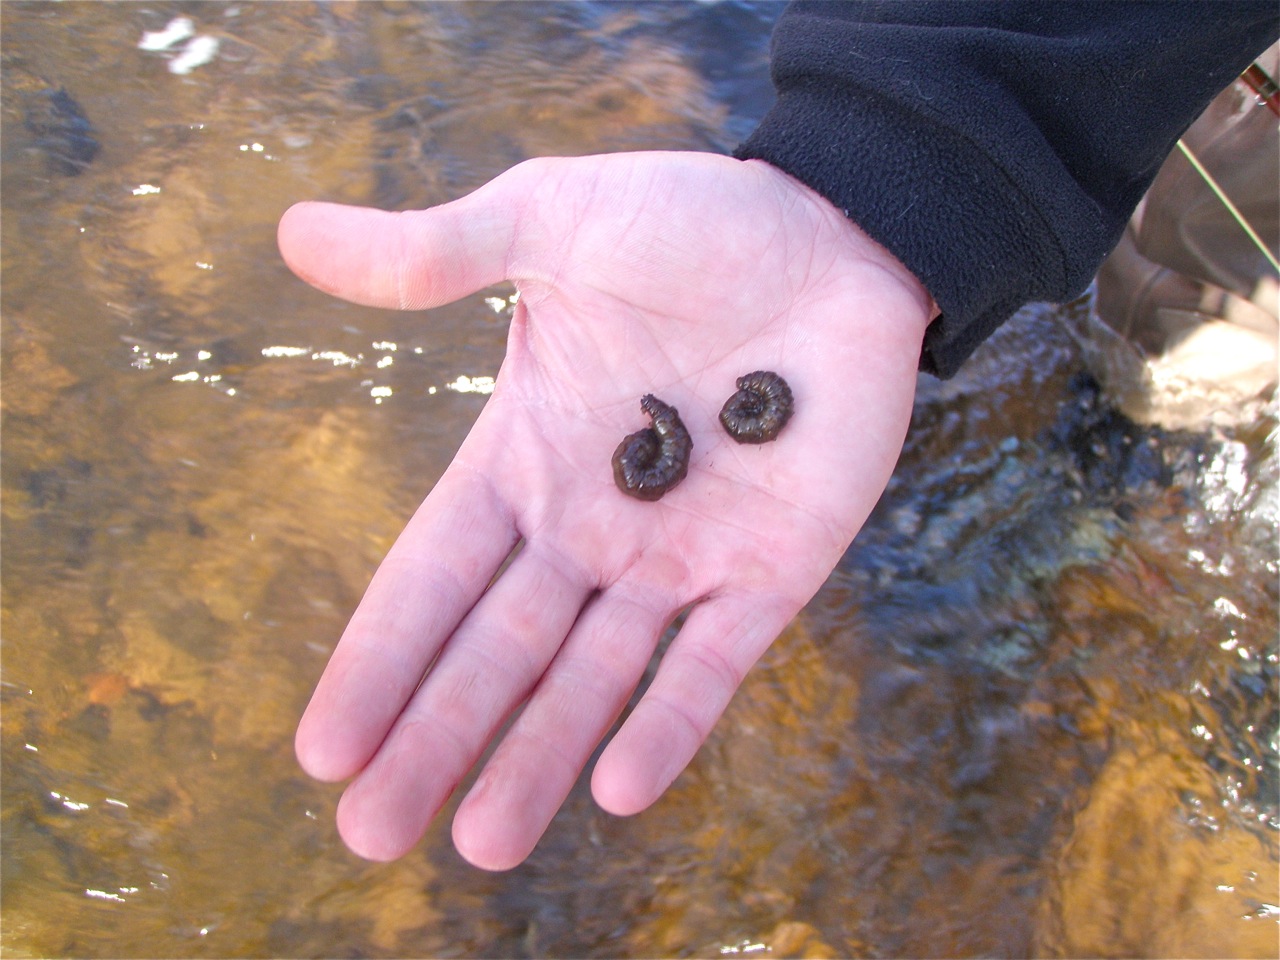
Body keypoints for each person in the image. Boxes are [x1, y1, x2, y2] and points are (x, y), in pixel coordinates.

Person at [277, 2, 1278, 870]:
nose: (658, 444)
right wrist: (891, 165)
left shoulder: (701, 428)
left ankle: (1173, 427)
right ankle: (1160, 405)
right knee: (1186, 283)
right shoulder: (689, 431)